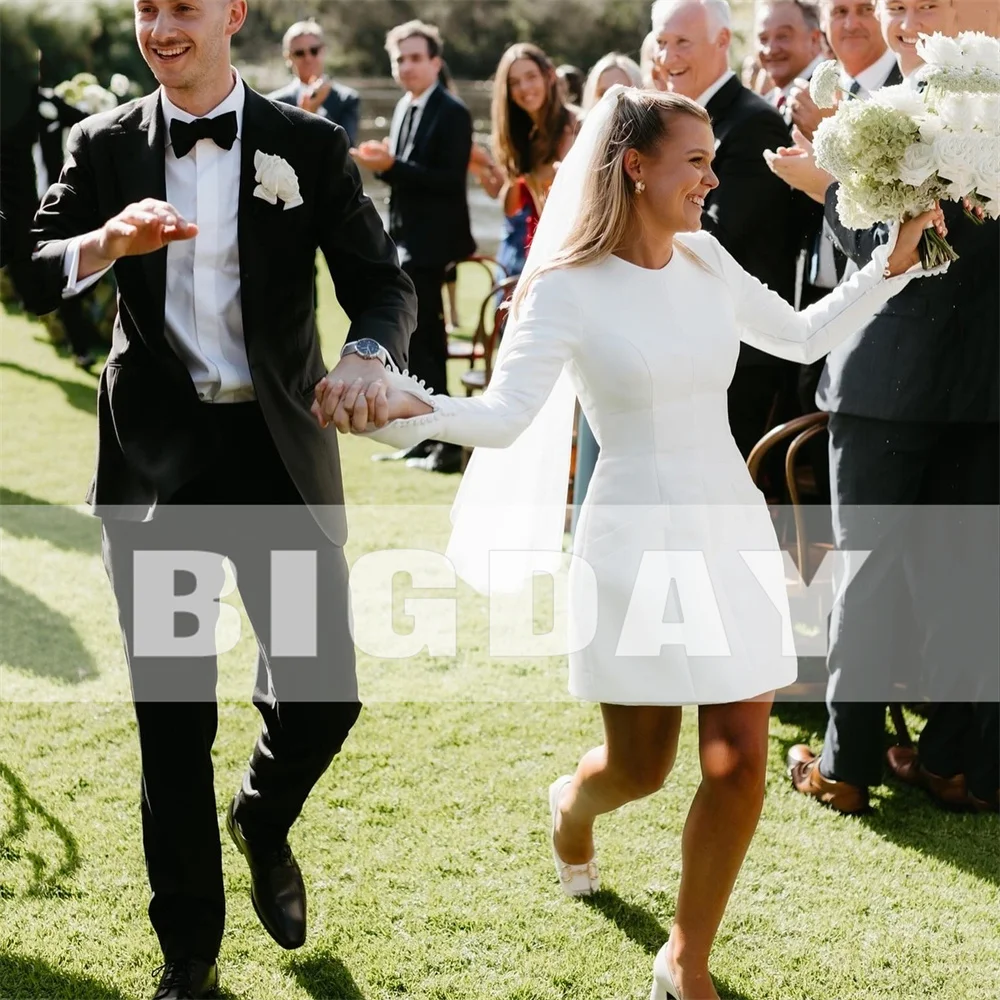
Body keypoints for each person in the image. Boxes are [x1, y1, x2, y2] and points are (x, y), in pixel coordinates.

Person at [315, 86, 946, 1000]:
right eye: (696, 161)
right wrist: (398, 412)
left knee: (738, 756)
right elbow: (500, 417)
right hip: (633, 541)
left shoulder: (702, 257)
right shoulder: (567, 287)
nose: (712, 177)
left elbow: (801, 332)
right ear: (635, 167)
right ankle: (573, 804)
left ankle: (684, 961)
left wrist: (887, 264)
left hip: (727, 521)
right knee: (642, 768)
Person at [24, 1, 416, 996]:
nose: (160, 24)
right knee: (171, 716)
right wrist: (103, 244)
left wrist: (367, 354)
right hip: (157, 460)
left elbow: (381, 282)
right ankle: (187, 952)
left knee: (324, 694)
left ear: (232, 14)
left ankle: (262, 815)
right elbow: (32, 268)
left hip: (276, 450)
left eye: (182, 7)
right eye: (146, 7)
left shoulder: (307, 147)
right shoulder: (101, 143)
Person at [769, 0, 1000, 817]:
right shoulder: (980, 103)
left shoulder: (919, 110)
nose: (905, 23)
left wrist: (821, 187)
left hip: (890, 381)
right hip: (978, 389)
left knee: (865, 579)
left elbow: (893, 247)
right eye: (895, 8)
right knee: (970, 580)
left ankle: (847, 766)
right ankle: (953, 761)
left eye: (917, 8)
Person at [652, 0, 810, 464]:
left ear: (723, 41)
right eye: (661, 43)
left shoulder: (752, 122)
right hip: (683, 342)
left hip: (738, 352)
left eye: (682, 42)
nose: (668, 57)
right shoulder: (672, 124)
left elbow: (717, 236)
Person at [351, 20, 475, 475]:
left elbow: (446, 181)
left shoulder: (453, 111)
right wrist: (382, 166)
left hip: (434, 245)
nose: (407, 66)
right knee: (415, 345)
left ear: (436, 62)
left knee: (430, 345)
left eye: (416, 57)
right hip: (403, 243)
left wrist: (393, 165)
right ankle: (421, 439)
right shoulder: (406, 106)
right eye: (400, 59)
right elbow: (406, 174)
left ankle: (446, 447)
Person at [481, 43, 581, 282]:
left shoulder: (579, 126)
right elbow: (512, 209)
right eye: (514, 82)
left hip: (577, 255)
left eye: (530, 77)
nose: (524, 88)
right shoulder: (525, 138)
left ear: (549, 76)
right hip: (544, 253)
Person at [267, 19, 360, 145]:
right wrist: (306, 114)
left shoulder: (347, 99)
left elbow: (346, 148)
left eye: (314, 50)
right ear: (288, 57)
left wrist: (315, 113)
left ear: (323, 51)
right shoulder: (273, 103)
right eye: (299, 53)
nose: (308, 58)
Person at [754, 0, 826, 117]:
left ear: (814, 39)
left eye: (782, 36)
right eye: (763, 39)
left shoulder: (831, 99)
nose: (770, 50)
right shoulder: (766, 103)